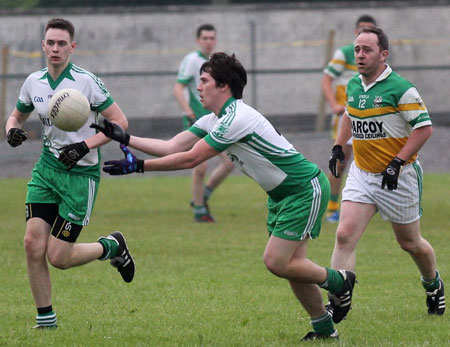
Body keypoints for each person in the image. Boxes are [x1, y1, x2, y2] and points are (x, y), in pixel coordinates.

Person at [92, 52, 356, 341]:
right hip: (282, 196)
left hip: (303, 189)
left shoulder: (236, 118)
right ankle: (324, 330)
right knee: (295, 268)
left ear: (224, 86)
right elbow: (171, 147)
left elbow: (190, 159)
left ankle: (340, 281)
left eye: (204, 81)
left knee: (276, 261)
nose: (198, 87)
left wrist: (139, 166)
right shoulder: (213, 120)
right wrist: (124, 138)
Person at [5, 18, 135, 329]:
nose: (55, 48)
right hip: (47, 171)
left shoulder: (86, 81)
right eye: (50, 42)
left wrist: (84, 145)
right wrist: (12, 131)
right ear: (43, 45)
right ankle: (45, 319)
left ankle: (112, 246)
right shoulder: (33, 82)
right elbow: (15, 116)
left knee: (59, 258)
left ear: (72, 47)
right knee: (31, 244)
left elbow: (121, 124)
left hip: (81, 176)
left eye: (62, 43)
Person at [328, 26, 445, 318]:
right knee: (344, 235)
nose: (360, 55)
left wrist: (397, 163)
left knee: (410, 243)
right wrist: (338, 147)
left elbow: (424, 128)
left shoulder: (401, 88)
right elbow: (349, 113)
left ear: (383, 55)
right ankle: (337, 301)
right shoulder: (354, 85)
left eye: (367, 50)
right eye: (357, 49)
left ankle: (433, 285)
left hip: (399, 178)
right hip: (363, 174)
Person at [173, 23, 234, 223]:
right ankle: (200, 210)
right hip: (196, 121)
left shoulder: (216, 64)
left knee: (230, 162)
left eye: (211, 38)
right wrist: (189, 113)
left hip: (216, 121)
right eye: (205, 38)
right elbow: (178, 88)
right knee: (199, 166)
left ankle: (203, 195)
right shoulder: (191, 60)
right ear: (198, 40)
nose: (208, 41)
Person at [322, 15, 377, 223]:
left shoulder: (377, 56)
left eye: (369, 29)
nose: (365, 33)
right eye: (362, 29)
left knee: (372, 161)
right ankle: (332, 208)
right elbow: (326, 80)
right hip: (347, 116)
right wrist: (334, 105)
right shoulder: (345, 53)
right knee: (340, 162)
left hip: (369, 119)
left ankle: (376, 204)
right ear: (355, 32)